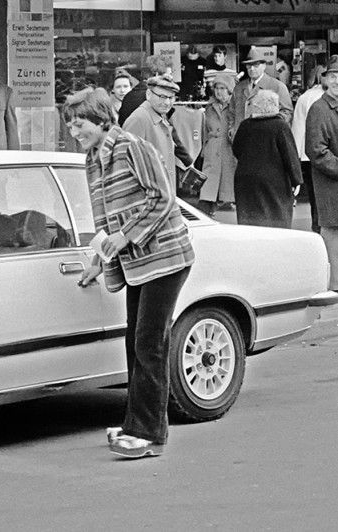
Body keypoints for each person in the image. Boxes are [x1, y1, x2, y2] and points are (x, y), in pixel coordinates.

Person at [64, 87, 194, 459]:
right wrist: (99, 258)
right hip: (137, 263)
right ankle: (138, 426)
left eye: (81, 123)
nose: (75, 131)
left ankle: (148, 434)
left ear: (102, 119)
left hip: (165, 257)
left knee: (149, 344)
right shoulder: (93, 157)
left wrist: (125, 236)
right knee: (136, 343)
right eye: (71, 125)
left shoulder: (132, 147)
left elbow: (162, 197)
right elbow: (103, 216)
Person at [232, 90, 302, 228]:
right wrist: (296, 180)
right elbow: (289, 154)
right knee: (276, 218)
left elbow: (236, 148)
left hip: (246, 179)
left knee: (249, 220)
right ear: (274, 106)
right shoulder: (280, 126)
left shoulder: (245, 125)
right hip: (274, 180)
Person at [306, 56, 338, 290]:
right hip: (331, 186)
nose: (337, 81)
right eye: (333, 76)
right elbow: (316, 151)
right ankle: (334, 286)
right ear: (325, 80)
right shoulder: (319, 109)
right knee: (332, 234)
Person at [123, 75, 183, 186]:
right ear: (148, 94)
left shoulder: (159, 115)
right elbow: (127, 166)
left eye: (171, 98)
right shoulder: (139, 119)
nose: (167, 102)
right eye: (162, 96)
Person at [292, 70, 326, 233]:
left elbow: (298, 129)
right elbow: (298, 129)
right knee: (317, 195)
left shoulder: (306, 97)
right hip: (312, 156)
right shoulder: (307, 98)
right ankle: (319, 228)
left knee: (317, 196)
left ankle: (318, 228)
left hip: (310, 155)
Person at [198, 73, 236, 215]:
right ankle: (206, 206)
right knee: (209, 179)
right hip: (212, 148)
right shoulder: (209, 107)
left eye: (222, 88)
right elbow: (205, 130)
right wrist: (204, 149)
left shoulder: (235, 107)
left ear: (229, 90)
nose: (218, 91)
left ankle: (225, 202)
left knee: (227, 178)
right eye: (216, 88)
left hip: (228, 147)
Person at [232, 48, 293, 135]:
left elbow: (287, 112)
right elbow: (231, 112)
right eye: (249, 65)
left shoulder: (277, 86)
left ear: (264, 66)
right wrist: (232, 129)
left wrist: (273, 127)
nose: (252, 68)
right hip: (242, 137)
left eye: (256, 65)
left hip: (266, 137)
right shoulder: (239, 87)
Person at [118, 55, 173, 126]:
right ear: (156, 75)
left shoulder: (130, 96)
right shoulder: (152, 98)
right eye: (168, 75)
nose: (171, 78)